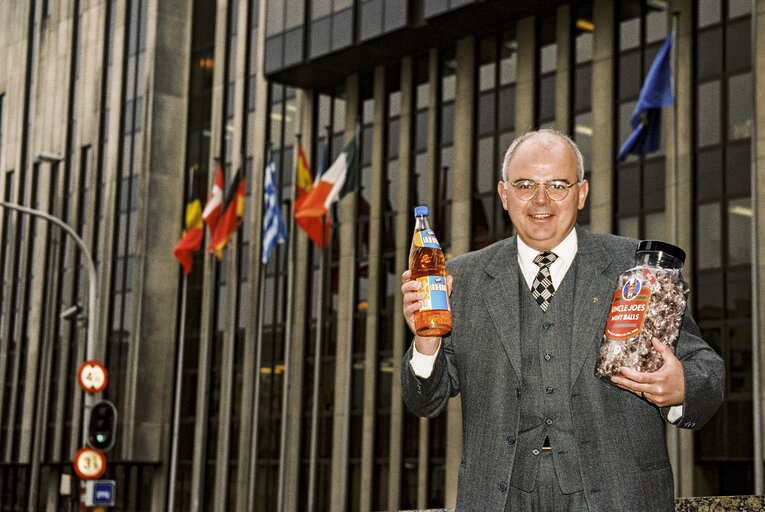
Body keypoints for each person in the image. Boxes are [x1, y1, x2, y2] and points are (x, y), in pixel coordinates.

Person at [400, 129, 725, 511]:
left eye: (557, 185)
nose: (541, 200)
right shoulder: (460, 280)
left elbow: (709, 371)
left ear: (581, 193)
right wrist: (426, 342)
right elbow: (425, 402)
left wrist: (681, 386)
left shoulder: (640, 268)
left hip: (621, 495)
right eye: (525, 185)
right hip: (499, 499)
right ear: (504, 195)